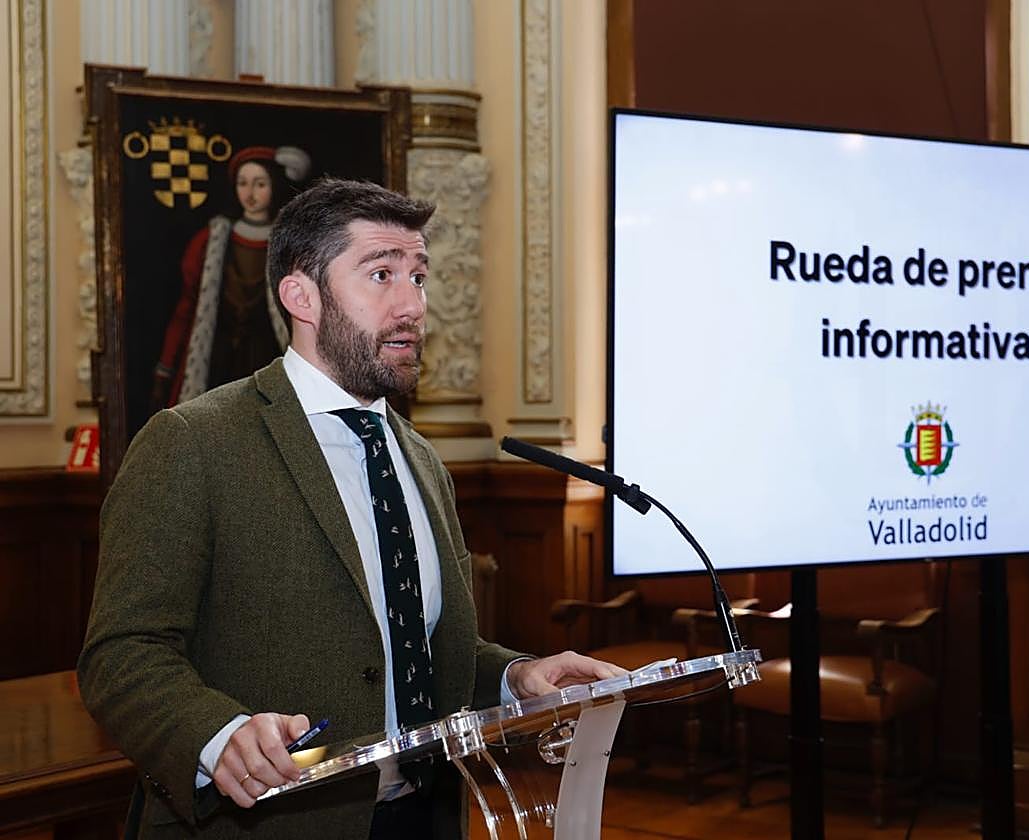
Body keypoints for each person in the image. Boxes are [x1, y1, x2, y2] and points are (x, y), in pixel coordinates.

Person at [78, 178, 622, 839]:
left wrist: (518, 676)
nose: (412, 305)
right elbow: (122, 653)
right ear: (301, 295)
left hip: (426, 815)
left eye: (418, 277)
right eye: (381, 274)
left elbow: (412, 650)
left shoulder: (419, 459)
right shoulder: (193, 442)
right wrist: (218, 737)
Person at [152, 145, 311, 409]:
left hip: (269, 356)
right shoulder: (210, 241)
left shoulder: (291, 244)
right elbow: (186, 307)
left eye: (260, 184)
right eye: (243, 183)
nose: (250, 193)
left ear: (274, 185)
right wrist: (166, 366)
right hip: (219, 358)